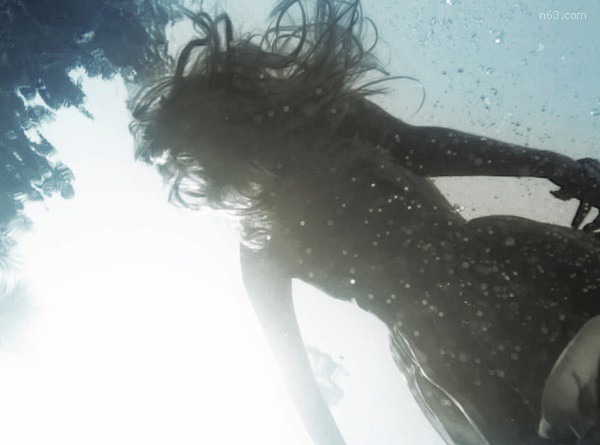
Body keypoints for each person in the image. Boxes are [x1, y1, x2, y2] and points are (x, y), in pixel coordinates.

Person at [131, 1, 600, 443]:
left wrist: (555, 165)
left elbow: (427, 147)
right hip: (451, 346)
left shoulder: (334, 119)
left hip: (491, 284)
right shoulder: (261, 244)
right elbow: (297, 379)